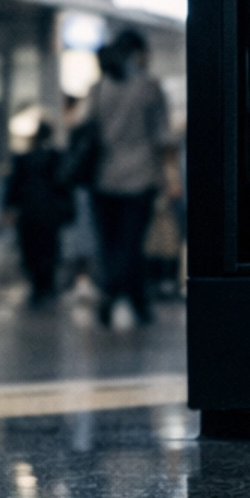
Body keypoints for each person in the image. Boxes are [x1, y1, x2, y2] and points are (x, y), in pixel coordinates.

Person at [82, 29, 169, 327]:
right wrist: (169, 178)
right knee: (131, 243)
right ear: (137, 54)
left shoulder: (99, 88)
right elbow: (162, 135)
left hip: (102, 177)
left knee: (109, 243)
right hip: (140, 176)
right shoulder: (149, 88)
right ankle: (118, 293)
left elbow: (84, 124)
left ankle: (126, 295)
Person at [3, 119, 73, 304]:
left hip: (29, 211)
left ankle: (37, 286)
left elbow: (13, 186)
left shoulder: (23, 159)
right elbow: (64, 186)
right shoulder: (56, 158)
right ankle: (47, 285)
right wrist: (68, 211)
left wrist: (8, 208)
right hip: (50, 211)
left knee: (31, 249)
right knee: (48, 249)